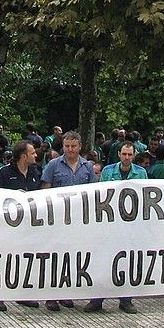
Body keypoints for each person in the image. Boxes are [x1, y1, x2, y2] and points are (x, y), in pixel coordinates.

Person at [85, 141, 146, 314]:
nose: (127, 157)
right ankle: (98, 299)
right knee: (104, 259)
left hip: (131, 224)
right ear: (119, 154)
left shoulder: (141, 173)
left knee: (128, 261)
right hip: (110, 223)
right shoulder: (107, 171)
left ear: (133, 155)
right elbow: (101, 195)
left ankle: (126, 300)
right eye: (124, 154)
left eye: (130, 154)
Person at [41, 131, 97, 311]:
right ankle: (51, 296)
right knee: (54, 257)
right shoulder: (53, 165)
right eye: (67, 146)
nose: (70, 150)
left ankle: (66, 294)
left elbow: (94, 193)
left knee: (73, 257)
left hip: (79, 221)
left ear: (80, 147)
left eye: (73, 146)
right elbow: (44, 192)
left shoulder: (87, 167)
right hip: (57, 220)